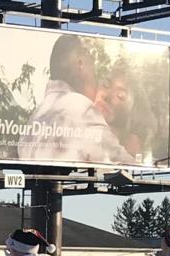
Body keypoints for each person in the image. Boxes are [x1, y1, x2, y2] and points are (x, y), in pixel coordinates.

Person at [16, 35, 133, 166]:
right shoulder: (82, 109)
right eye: (93, 67)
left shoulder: (35, 117)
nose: (96, 79)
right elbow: (121, 162)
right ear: (80, 64)